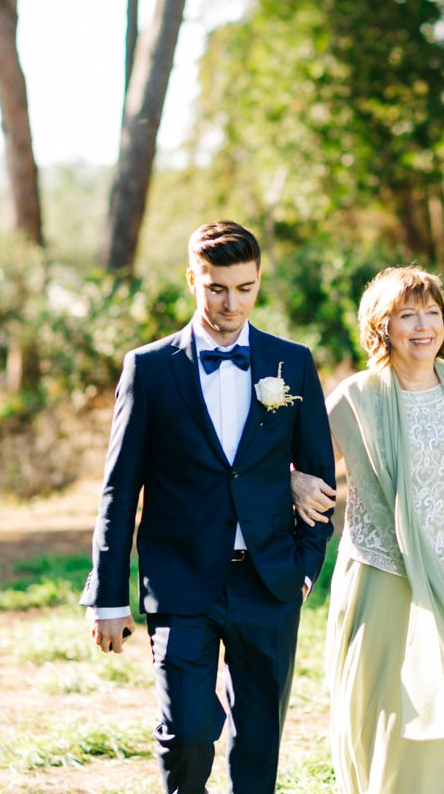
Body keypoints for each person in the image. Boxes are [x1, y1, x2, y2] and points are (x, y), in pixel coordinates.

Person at [80, 220, 336, 794]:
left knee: (259, 742)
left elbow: (319, 479)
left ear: (259, 280)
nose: (231, 303)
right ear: (192, 280)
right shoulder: (149, 368)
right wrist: (108, 595)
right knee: (189, 732)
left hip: (269, 582)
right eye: (217, 288)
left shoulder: (292, 363)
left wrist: (304, 569)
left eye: (246, 288)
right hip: (181, 580)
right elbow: (120, 488)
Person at [294, 265, 444, 794]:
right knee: (386, 711)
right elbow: (301, 467)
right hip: (381, 577)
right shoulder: (354, 399)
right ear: (381, 327)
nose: (423, 326)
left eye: (431, 313)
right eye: (407, 315)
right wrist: (293, 481)